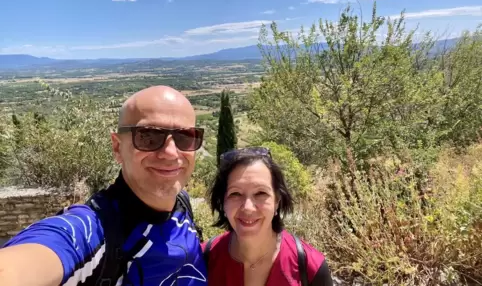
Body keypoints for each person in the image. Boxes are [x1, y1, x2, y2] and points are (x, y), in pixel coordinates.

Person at [0, 85, 208, 286]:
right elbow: (24, 264)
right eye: (148, 136)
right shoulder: (91, 231)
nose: (171, 153)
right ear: (117, 147)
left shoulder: (181, 203)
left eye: (185, 137)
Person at [202, 147, 334, 286]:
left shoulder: (311, 267)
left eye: (260, 193)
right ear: (222, 202)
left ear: (277, 200)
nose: (248, 207)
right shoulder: (203, 259)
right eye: (235, 194)